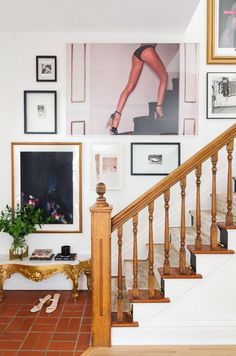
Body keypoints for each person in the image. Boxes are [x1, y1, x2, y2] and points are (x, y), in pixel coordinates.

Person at [107, 44, 168, 134]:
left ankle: (116, 118)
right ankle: (159, 108)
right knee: (164, 76)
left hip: (137, 52)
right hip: (148, 50)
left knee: (129, 87)